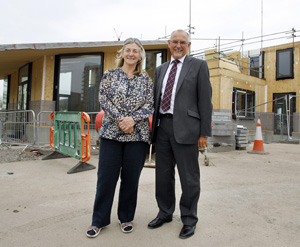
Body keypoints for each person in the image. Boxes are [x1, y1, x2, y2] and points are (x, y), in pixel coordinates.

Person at [148, 29, 212, 239]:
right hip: (163, 128)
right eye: (175, 42)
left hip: (188, 130)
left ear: (188, 45)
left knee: (189, 178)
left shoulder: (199, 66)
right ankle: (165, 213)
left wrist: (204, 132)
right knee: (163, 176)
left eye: (182, 42)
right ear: (169, 43)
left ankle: (189, 219)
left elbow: (205, 101)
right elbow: (156, 101)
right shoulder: (161, 69)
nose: (178, 45)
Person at [86, 38, 154, 238]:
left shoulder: (146, 79)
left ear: (140, 55)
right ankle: (98, 221)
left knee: (131, 180)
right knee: (106, 179)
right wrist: (121, 120)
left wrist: (132, 120)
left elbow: (150, 104)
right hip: (111, 134)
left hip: (138, 135)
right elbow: (103, 99)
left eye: (135, 51)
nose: (131, 54)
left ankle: (126, 218)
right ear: (122, 53)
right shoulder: (110, 75)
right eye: (128, 50)